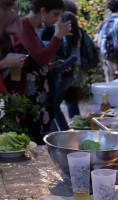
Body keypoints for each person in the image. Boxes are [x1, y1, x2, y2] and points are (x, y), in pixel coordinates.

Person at [6, 0, 71, 144]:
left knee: (39, 137)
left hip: (37, 95)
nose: (57, 20)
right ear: (43, 11)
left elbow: (36, 61)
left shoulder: (31, 27)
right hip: (28, 96)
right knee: (33, 140)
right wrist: (58, 36)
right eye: (55, 14)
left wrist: (52, 65)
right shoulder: (24, 25)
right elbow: (40, 57)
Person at [52, 11, 80, 131]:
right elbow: (77, 60)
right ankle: (65, 131)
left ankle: (59, 132)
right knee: (56, 106)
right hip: (69, 77)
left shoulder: (62, 40)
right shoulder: (76, 38)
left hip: (60, 76)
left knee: (53, 107)